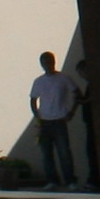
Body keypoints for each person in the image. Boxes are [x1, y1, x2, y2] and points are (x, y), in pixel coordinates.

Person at [29, 50, 86, 189]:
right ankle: (52, 181)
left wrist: (71, 112)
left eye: (50, 61)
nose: (48, 65)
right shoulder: (38, 81)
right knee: (46, 153)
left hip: (59, 119)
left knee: (64, 152)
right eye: (45, 62)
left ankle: (70, 181)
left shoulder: (63, 78)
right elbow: (33, 99)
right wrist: (37, 115)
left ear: (54, 62)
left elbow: (77, 94)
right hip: (44, 121)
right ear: (41, 64)